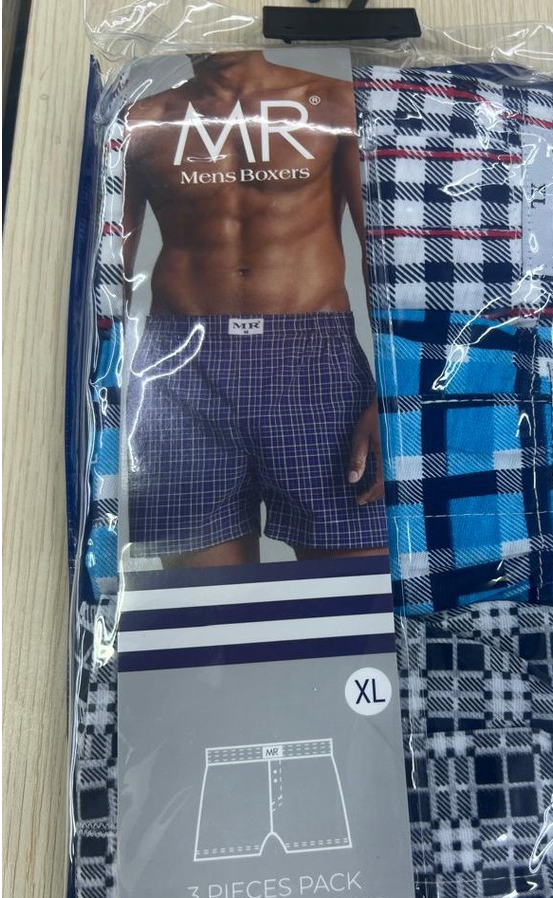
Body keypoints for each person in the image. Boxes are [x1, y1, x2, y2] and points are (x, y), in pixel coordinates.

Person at [121, 50, 386, 567]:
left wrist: (397, 399)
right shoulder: (142, 120)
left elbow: (386, 257)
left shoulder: (336, 102)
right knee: (207, 607)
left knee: (354, 595)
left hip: (315, 363)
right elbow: (109, 273)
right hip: (179, 371)